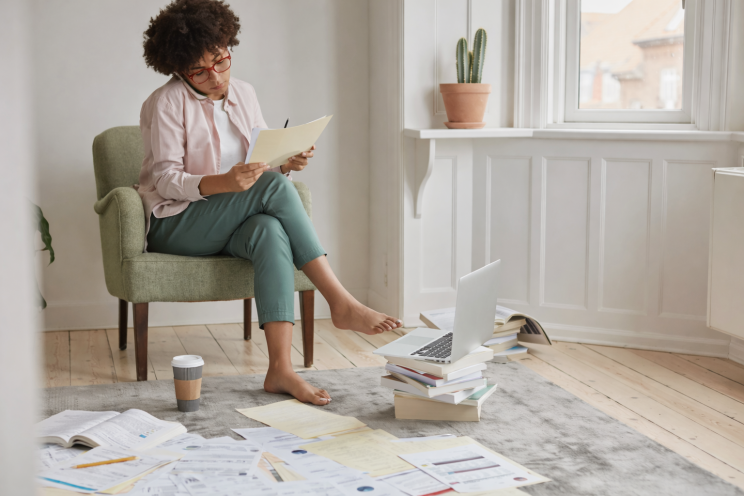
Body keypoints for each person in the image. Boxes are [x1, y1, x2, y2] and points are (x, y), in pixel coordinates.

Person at [137, 0, 401, 406]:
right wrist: (222, 182)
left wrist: (286, 163)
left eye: (221, 61)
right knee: (275, 193)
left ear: (228, 46)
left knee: (269, 228)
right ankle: (341, 302)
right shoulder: (166, 102)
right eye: (199, 71)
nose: (215, 76)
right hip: (179, 223)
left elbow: (260, 164)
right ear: (177, 69)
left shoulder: (244, 93)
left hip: (231, 217)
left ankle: (280, 369)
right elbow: (166, 181)